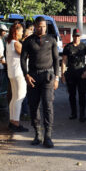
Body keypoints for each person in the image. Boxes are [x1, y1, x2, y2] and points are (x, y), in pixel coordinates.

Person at [20, 16, 59, 148]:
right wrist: (26, 75)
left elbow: (56, 59)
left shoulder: (51, 39)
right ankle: (38, 134)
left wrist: (57, 77)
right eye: (39, 26)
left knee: (48, 105)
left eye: (44, 26)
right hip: (33, 77)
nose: (41, 28)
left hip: (48, 76)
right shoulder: (29, 41)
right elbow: (23, 58)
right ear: (35, 26)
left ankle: (48, 136)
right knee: (33, 106)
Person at [61, 28, 86, 122]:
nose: (76, 38)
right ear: (72, 36)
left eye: (78, 36)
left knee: (82, 95)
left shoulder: (84, 47)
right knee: (72, 95)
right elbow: (64, 61)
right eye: (75, 36)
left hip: (81, 73)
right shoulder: (68, 47)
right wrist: (62, 75)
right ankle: (73, 113)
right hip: (71, 73)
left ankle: (82, 115)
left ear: (80, 37)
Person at [6, 22, 28, 132]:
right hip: (19, 73)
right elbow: (25, 54)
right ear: (16, 31)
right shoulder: (16, 43)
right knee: (20, 97)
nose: (22, 33)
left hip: (12, 73)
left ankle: (12, 121)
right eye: (21, 31)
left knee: (14, 98)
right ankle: (16, 123)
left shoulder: (9, 42)